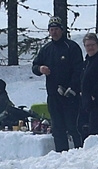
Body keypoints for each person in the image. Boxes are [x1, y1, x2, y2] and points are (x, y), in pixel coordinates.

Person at [32, 16, 82, 151]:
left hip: (70, 95)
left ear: (62, 30)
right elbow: (35, 66)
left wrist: (72, 87)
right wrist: (40, 69)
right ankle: (61, 154)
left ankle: (80, 152)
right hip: (53, 95)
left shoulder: (71, 47)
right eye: (51, 30)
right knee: (58, 128)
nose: (54, 32)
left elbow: (79, 70)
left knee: (73, 126)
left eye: (56, 29)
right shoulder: (46, 49)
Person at [75, 32, 98, 145]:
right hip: (88, 103)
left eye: (92, 45)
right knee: (85, 129)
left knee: (97, 133)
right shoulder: (87, 61)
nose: (90, 48)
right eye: (88, 45)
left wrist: (93, 95)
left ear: (97, 45)